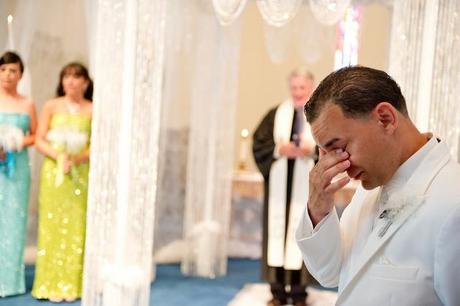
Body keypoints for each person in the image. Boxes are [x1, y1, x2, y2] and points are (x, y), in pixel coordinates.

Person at [296, 66, 460, 306]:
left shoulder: (453, 204)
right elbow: (329, 274)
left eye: (339, 147)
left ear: (385, 119)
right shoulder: (369, 187)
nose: (341, 165)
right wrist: (318, 209)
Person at [253, 68, 317, 306]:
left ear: (311, 88)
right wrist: (279, 149)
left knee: (301, 235)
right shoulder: (275, 115)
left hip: (306, 189)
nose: (298, 92)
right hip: (278, 191)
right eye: (294, 87)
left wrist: (313, 151)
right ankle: (278, 293)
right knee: (277, 235)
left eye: (302, 87)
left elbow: (332, 146)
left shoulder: (320, 116)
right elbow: (259, 143)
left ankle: (299, 294)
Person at [32, 62, 92, 302]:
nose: (71, 81)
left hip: (80, 174)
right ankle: (49, 283)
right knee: (51, 225)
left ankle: (72, 284)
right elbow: (39, 139)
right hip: (53, 173)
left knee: (77, 226)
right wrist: (60, 157)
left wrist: (76, 159)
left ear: (85, 82)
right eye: (66, 76)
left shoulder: (92, 109)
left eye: (76, 77)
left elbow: (96, 143)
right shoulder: (51, 106)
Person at [0, 51, 37, 297]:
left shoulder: (28, 103)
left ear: (21, 75)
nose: (7, 75)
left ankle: (10, 281)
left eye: (13, 70)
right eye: (3, 70)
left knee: (14, 221)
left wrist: (17, 142)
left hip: (18, 170)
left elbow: (36, 134)